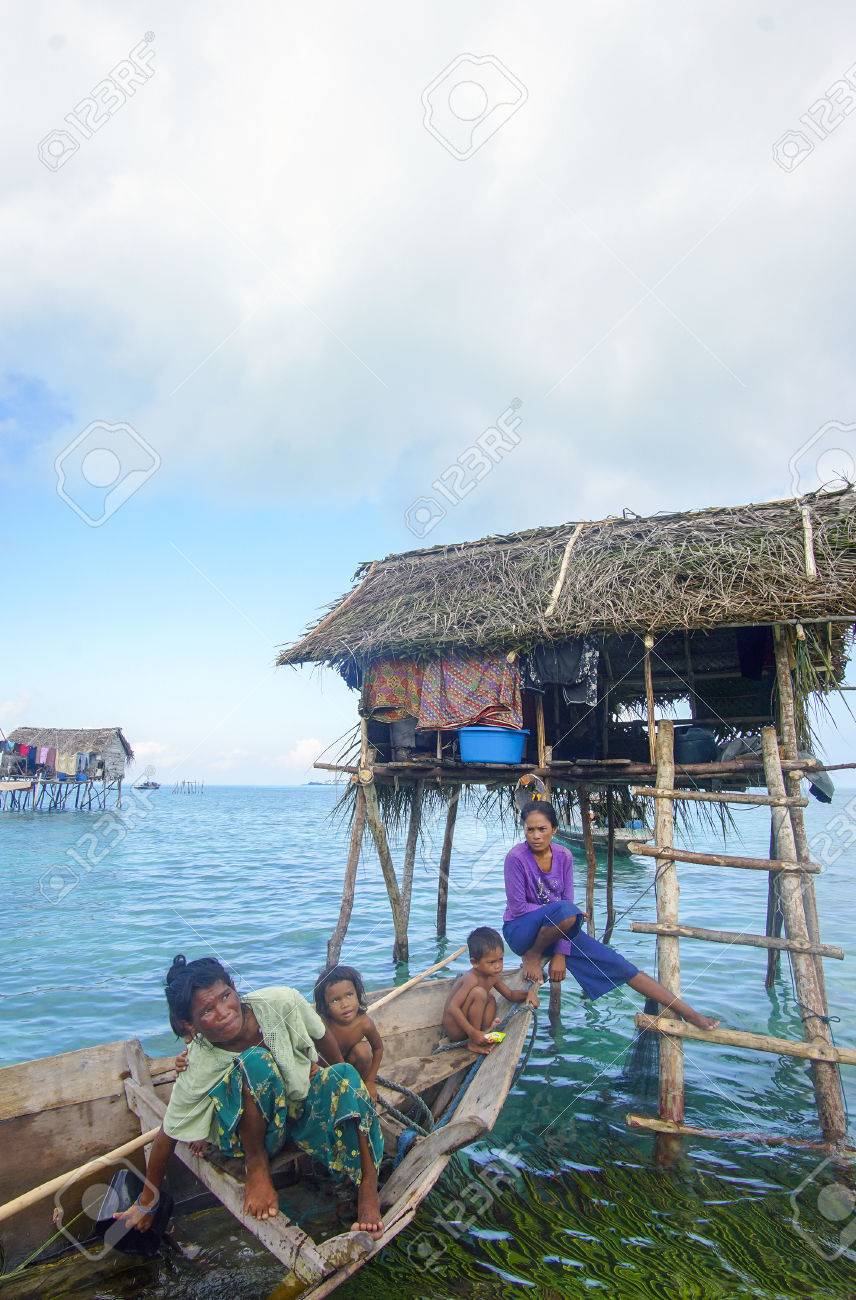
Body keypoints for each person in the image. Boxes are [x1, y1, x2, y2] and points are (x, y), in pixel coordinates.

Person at [115, 954, 385, 1237]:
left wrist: (335, 1083)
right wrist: (146, 1202)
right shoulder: (199, 1061)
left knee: (345, 1075)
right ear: (189, 1026)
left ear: (234, 988)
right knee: (255, 1061)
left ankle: (367, 1184)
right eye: (207, 1011)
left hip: (294, 1114)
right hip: (252, 1141)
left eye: (225, 996)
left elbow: (321, 1037)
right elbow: (167, 1133)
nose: (224, 1011)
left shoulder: (281, 1002)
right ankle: (257, 1170)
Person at [503, 802, 719, 1030]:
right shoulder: (516, 857)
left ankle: (690, 1013)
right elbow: (518, 908)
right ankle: (533, 956)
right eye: (530, 830)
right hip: (522, 931)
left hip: (559, 931)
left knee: (622, 966)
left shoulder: (564, 856)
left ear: (554, 830)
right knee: (568, 912)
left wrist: (560, 953)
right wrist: (561, 916)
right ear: (524, 830)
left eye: (542, 829)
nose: (536, 835)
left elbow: (566, 901)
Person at [442, 926, 539, 1054]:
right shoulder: (471, 978)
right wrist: (472, 1033)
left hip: (470, 1027)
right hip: (455, 1029)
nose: (498, 965)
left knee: (491, 999)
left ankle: (485, 1032)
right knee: (480, 993)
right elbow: (452, 1008)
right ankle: (474, 1042)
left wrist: (528, 993)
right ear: (474, 963)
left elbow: (510, 994)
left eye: (501, 959)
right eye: (491, 962)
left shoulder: (493, 975)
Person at [314, 965, 383, 1101]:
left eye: (349, 995)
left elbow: (378, 1048)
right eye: (335, 1000)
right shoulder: (322, 1025)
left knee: (362, 1051)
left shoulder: (364, 1023)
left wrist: (370, 1080)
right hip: (328, 1068)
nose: (345, 1004)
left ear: (358, 994)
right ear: (325, 1005)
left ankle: (359, 1084)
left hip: (351, 1064)